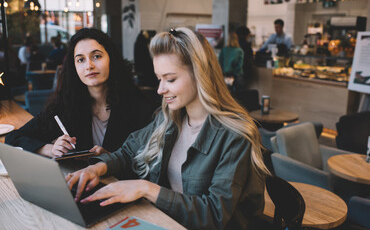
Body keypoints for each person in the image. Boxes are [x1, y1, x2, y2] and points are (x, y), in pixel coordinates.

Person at [66, 27, 269, 229]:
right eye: (159, 79)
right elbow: (128, 152)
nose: (161, 89)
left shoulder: (236, 136)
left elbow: (214, 215)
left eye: (170, 79)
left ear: (200, 74)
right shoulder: (169, 118)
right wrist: (96, 168)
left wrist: (146, 189)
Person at [5, 28, 156, 158]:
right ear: (74, 67)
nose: (89, 66)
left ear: (112, 59)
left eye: (96, 56)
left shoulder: (138, 106)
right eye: (80, 60)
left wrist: (112, 160)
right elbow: (14, 137)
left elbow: (148, 160)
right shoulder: (66, 106)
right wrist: (49, 149)